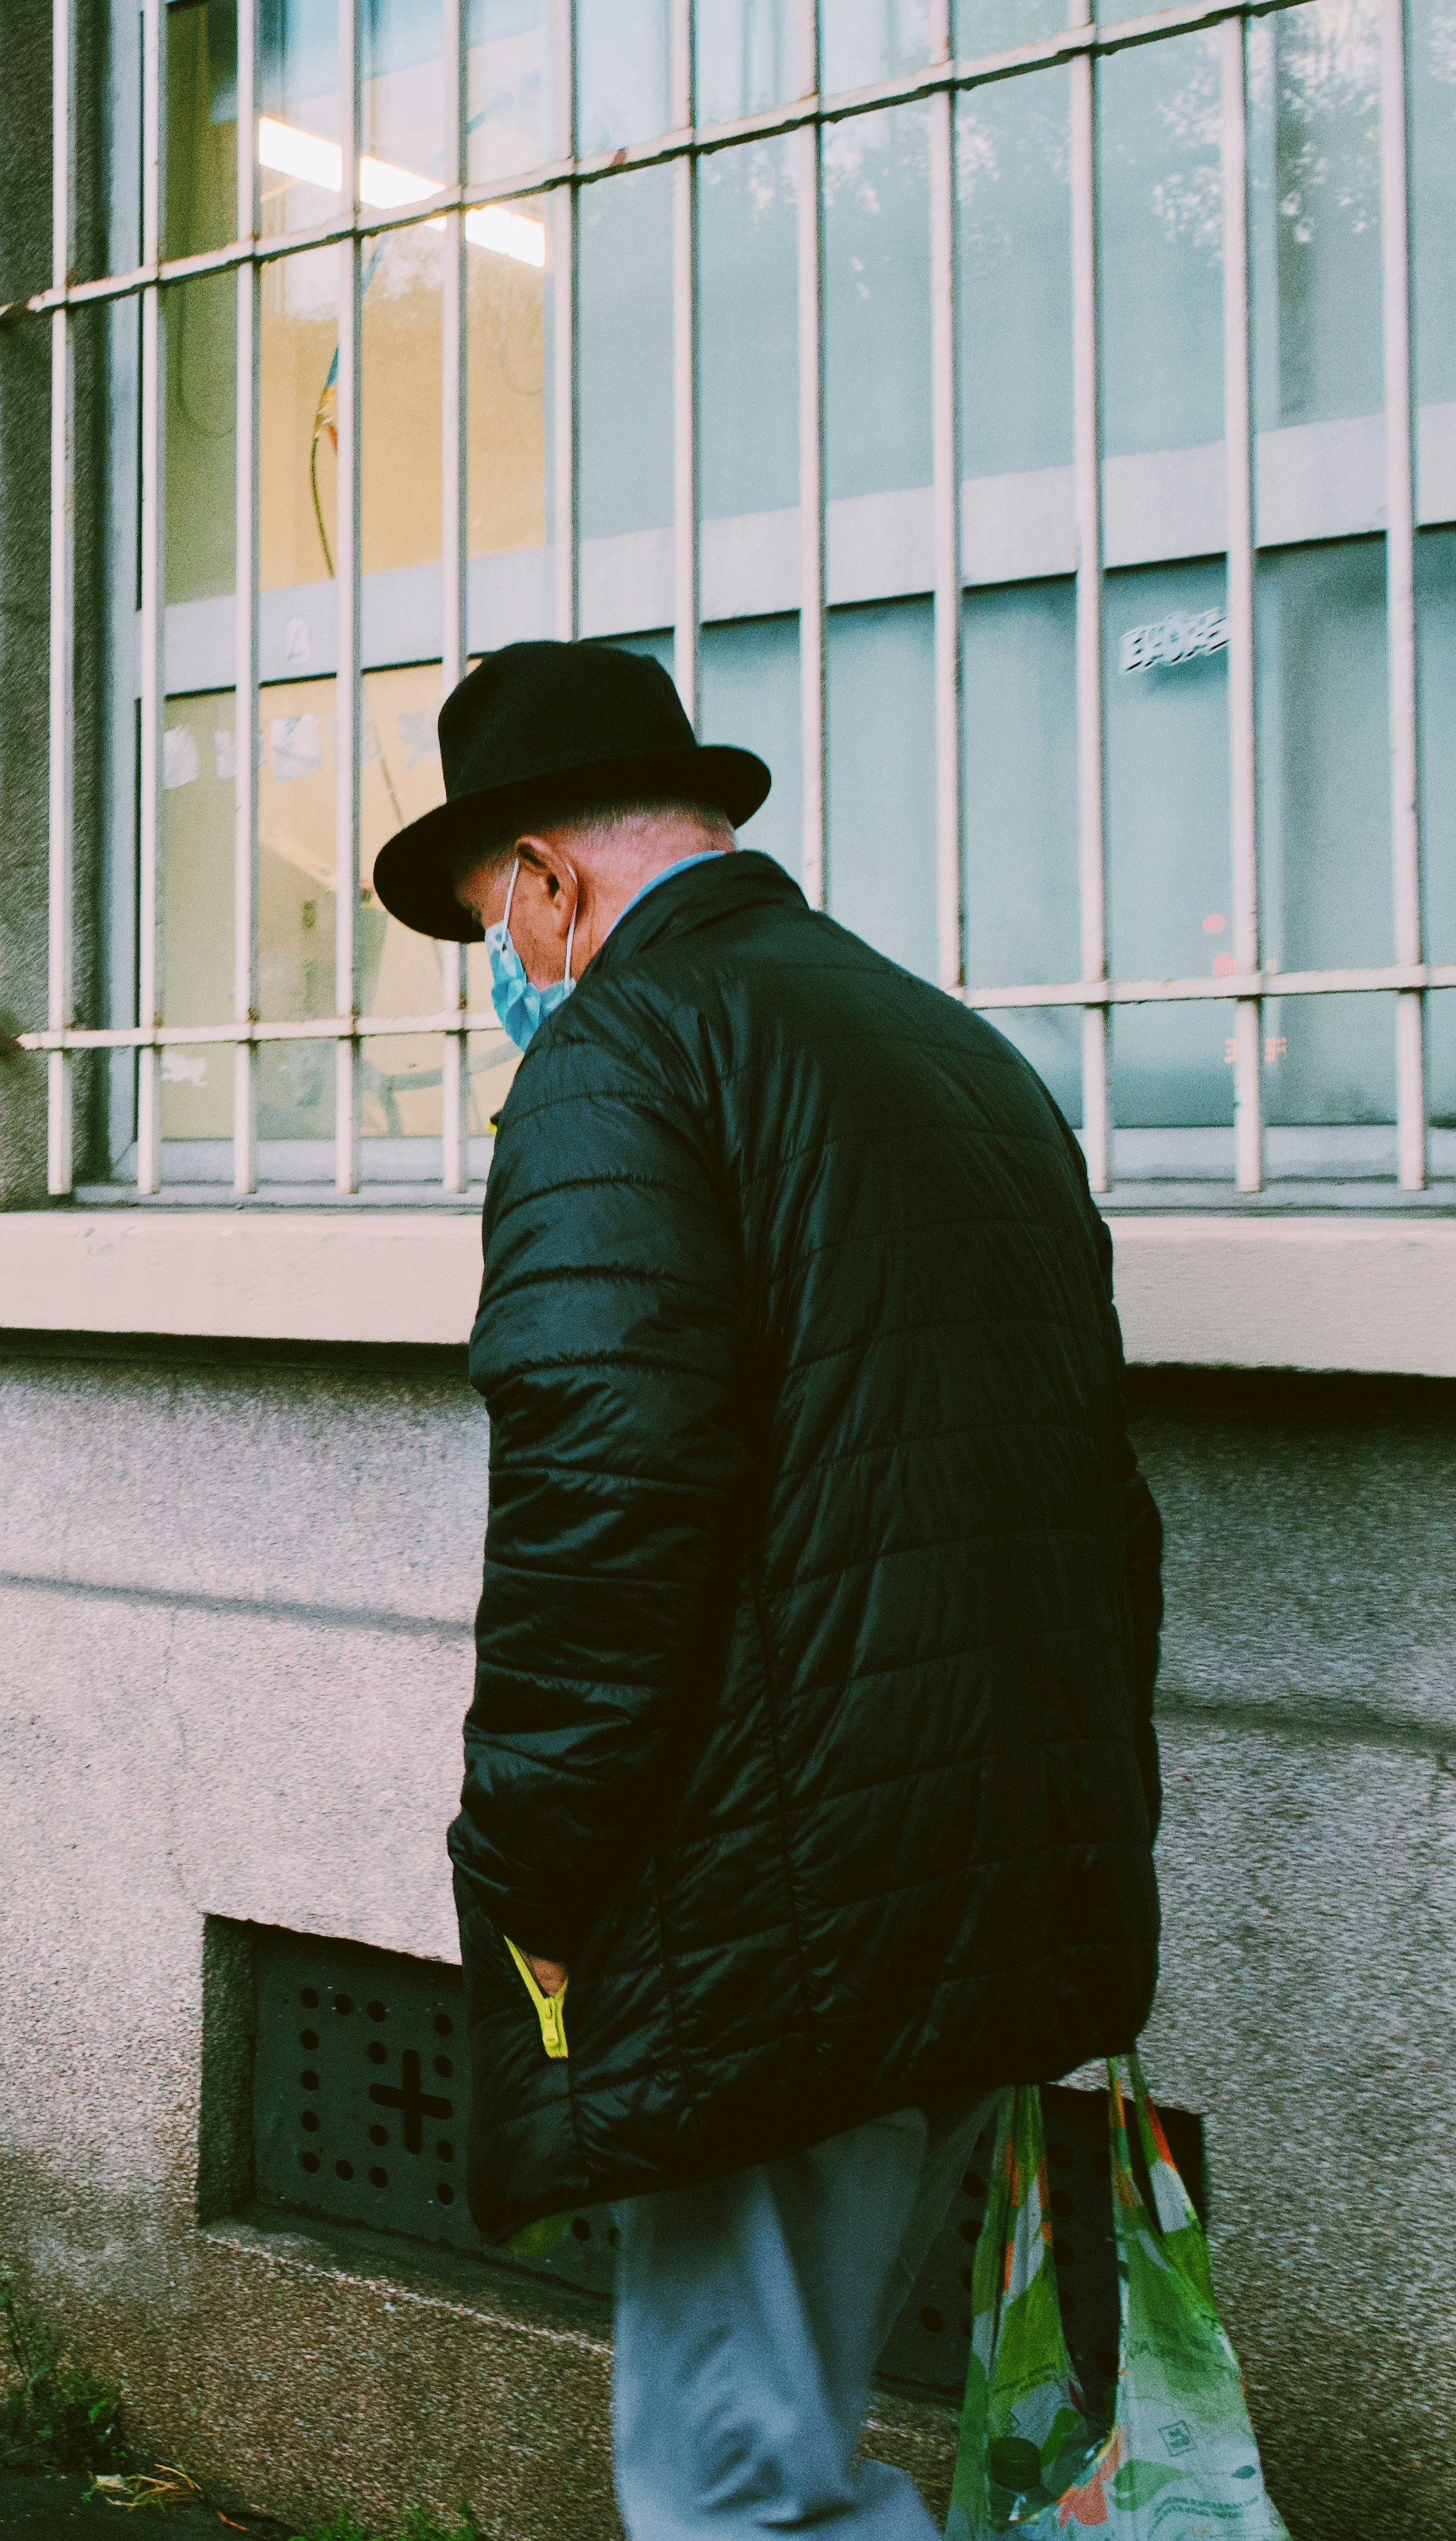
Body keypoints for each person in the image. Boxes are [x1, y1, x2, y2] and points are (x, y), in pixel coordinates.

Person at [369, 640, 1165, 2541]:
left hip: (770, 1893)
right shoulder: (951, 1050)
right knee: (778, 2450)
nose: (509, 971)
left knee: (732, 2490)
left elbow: (599, 1510)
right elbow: (1087, 1490)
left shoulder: (628, 1055)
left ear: (550, 880)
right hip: (983, 1862)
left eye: (496, 921)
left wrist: (530, 1874)